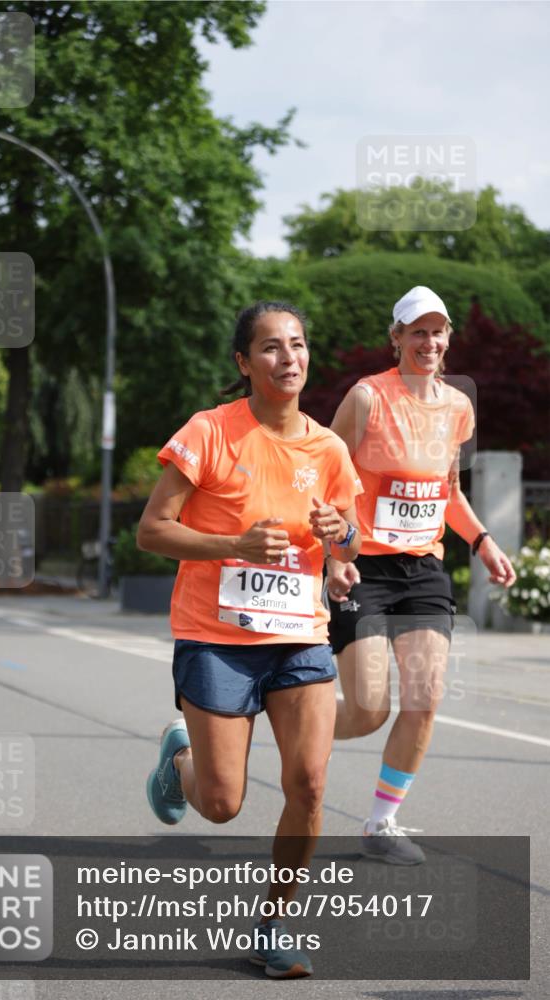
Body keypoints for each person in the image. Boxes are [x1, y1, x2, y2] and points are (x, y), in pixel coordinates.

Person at [138, 301, 362, 978]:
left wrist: (340, 546)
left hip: (299, 637)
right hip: (216, 639)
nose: (287, 357)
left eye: (296, 345)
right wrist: (233, 544)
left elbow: (349, 541)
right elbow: (152, 529)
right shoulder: (210, 433)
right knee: (220, 803)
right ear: (243, 363)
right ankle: (180, 763)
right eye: (269, 347)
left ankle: (273, 923)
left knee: (311, 783)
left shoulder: (326, 448)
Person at [325, 285, 516, 865]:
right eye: (417, 331)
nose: (428, 341)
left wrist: (481, 541)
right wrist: (336, 555)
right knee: (365, 710)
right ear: (397, 338)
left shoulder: (458, 407)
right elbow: (328, 478)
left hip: (424, 568)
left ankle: (382, 821)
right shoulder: (366, 398)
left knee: (426, 697)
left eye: (438, 331)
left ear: (447, 339)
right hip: (364, 567)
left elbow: (448, 491)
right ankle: (268, 717)